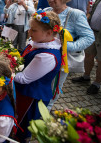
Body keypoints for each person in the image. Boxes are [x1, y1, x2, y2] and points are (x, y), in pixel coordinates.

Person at [14, 10, 62, 142]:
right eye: (30, 29)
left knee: (22, 128)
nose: (29, 32)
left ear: (49, 33)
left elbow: (24, 78)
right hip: (24, 93)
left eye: (34, 30)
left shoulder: (46, 56)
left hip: (31, 97)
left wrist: (4, 72)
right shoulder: (38, 42)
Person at [45, 0, 94, 110]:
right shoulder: (45, 11)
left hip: (60, 61)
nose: (51, 0)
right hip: (42, 58)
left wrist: (66, 46)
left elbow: (89, 37)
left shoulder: (75, 14)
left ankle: (45, 111)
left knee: (52, 89)